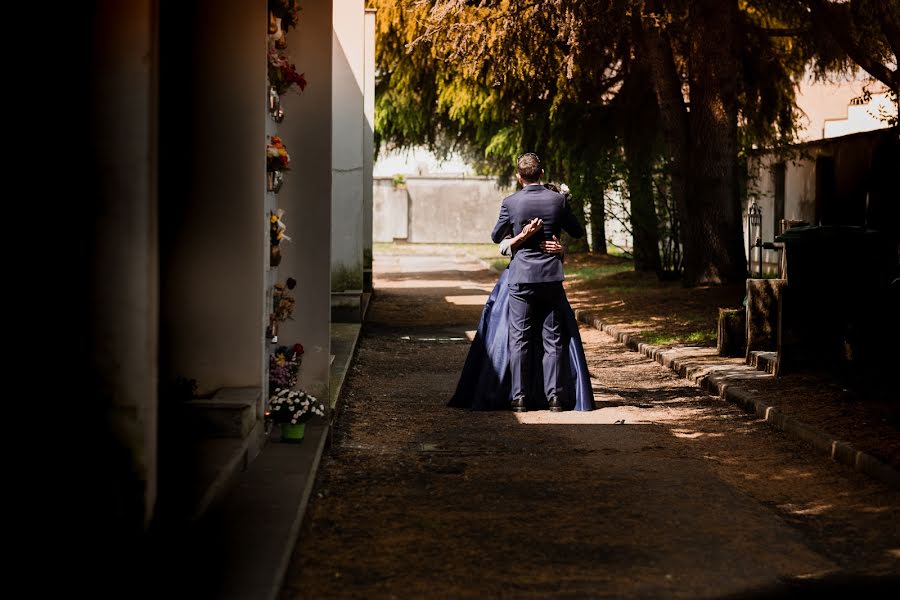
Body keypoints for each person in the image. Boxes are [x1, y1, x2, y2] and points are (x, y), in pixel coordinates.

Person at [450, 153, 588, 412]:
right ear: (542, 173)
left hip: (521, 278)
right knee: (553, 339)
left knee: (520, 338)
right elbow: (578, 231)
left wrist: (520, 236)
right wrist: (560, 247)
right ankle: (555, 398)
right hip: (550, 277)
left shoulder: (511, 202)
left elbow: (495, 236)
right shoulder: (558, 200)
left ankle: (519, 397)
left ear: (518, 176)